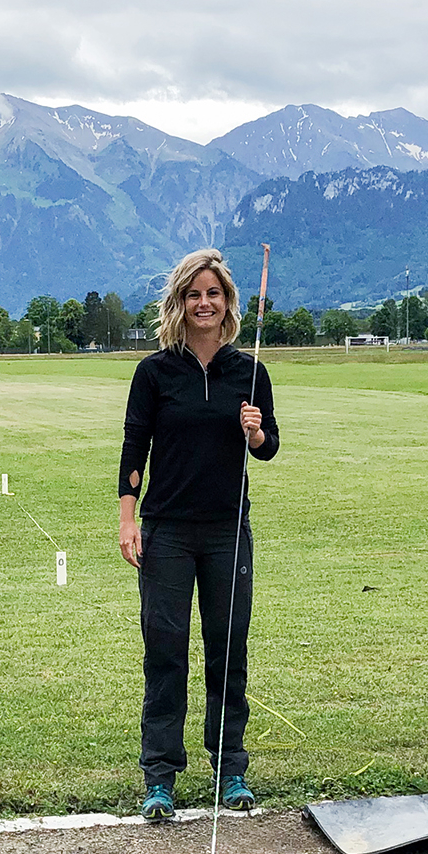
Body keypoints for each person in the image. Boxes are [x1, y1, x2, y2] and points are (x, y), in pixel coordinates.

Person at [117, 248, 279, 821]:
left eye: (213, 293)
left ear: (228, 303)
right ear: (179, 304)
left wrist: (255, 434)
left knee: (228, 649)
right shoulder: (155, 372)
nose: (203, 303)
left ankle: (230, 766)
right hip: (166, 531)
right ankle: (159, 775)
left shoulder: (250, 371)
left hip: (227, 533)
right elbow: (135, 446)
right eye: (194, 294)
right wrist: (127, 517)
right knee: (165, 653)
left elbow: (270, 449)